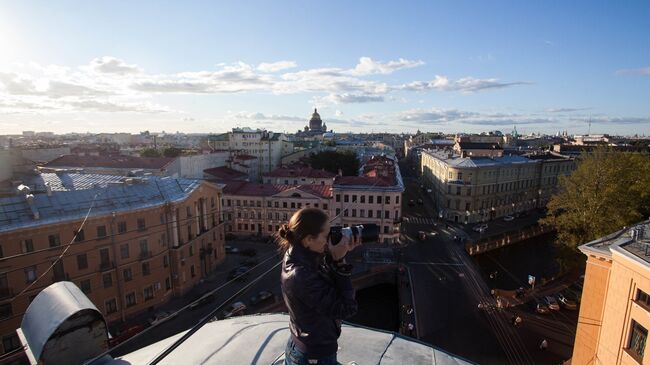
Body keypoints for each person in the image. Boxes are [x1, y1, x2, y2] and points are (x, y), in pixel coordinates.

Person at [279, 208, 362, 365]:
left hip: (305, 345)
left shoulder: (298, 254)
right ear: (309, 239)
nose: (329, 239)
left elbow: (323, 282)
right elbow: (347, 308)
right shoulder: (301, 275)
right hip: (315, 355)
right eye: (326, 235)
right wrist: (339, 262)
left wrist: (334, 255)